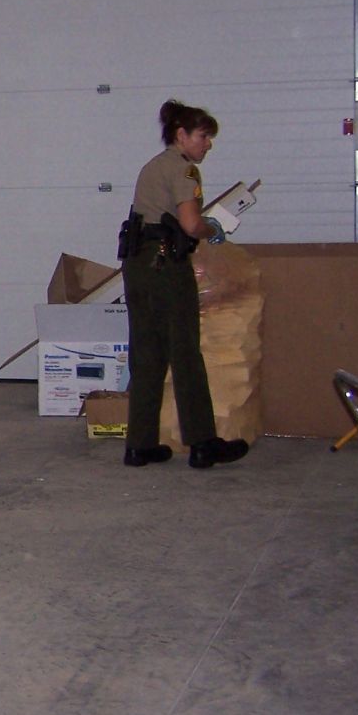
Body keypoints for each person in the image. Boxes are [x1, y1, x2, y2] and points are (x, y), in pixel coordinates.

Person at [118, 99, 250, 470]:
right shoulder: (184, 171)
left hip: (137, 266)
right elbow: (191, 225)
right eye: (204, 136)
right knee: (185, 353)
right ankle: (203, 442)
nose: (208, 144)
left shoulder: (152, 167)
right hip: (165, 268)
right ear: (182, 135)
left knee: (146, 354)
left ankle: (139, 445)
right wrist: (213, 229)